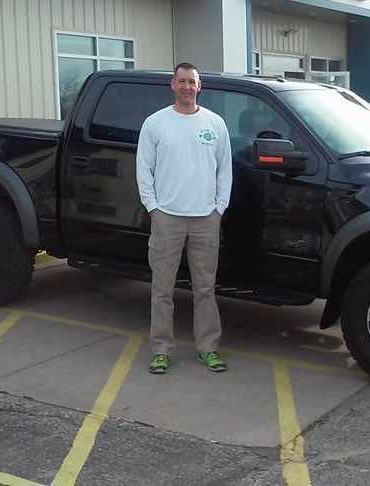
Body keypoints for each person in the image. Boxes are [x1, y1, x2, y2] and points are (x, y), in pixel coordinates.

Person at [136, 63, 233, 374]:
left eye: (192, 81)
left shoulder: (215, 124)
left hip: (206, 218)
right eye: (182, 81)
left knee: (205, 289)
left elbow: (224, 171)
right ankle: (161, 350)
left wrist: (219, 209)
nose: (187, 86)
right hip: (167, 218)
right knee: (162, 289)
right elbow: (144, 171)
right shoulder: (155, 124)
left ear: (199, 86)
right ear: (172, 85)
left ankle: (208, 348)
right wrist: (153, 208)